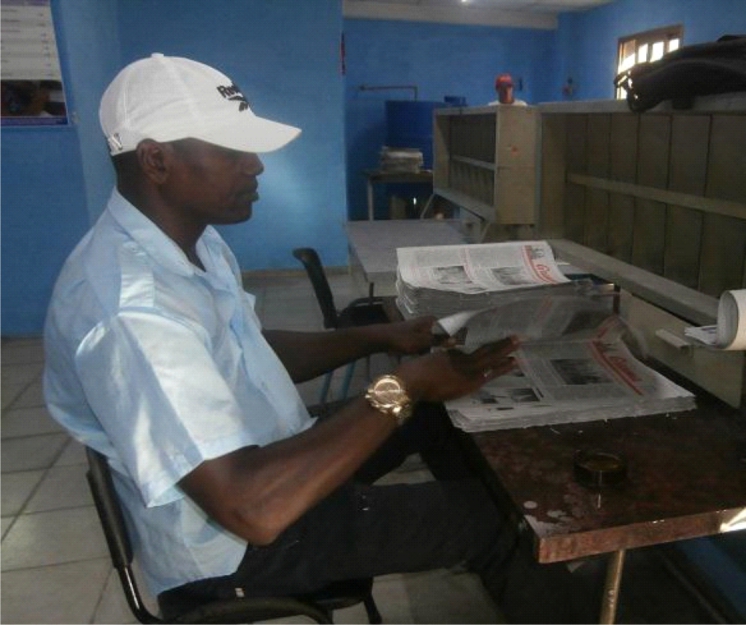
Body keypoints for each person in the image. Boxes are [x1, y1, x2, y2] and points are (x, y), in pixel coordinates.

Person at [44, 53, 590, 623]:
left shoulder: (191, 243)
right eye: (231, 151)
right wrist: (401, 387)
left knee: (436, 418)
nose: (256, 165)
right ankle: (490, 545)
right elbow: (252, 509)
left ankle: (477, 551)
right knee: (501, 516)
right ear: (157, 159)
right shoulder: (132, 311)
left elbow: (251, 351)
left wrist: (383, 336)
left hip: (266, 457)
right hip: (235, 546)